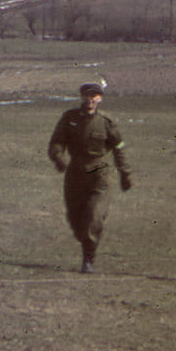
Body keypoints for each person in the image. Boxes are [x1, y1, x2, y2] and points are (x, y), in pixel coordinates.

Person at [47, 82, 134, 273]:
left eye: (94, 96)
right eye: (87, 95)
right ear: (82, 97)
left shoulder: (106, 122)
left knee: (94, 217)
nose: (90, 99)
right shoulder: (69, 118)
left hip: (99, 174)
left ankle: (88, 259)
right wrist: (59, 157)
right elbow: (56, 142)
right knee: (75, 219)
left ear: (100, 99)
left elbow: (119, 149)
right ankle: (85, 242)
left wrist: (125, 174)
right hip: (75, 174)